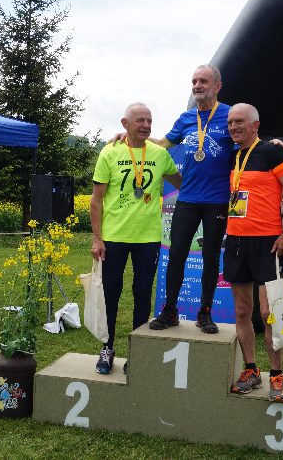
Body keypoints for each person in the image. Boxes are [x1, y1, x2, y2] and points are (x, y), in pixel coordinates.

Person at [144, 65, 283, 334]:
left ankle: (205, 312)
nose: (197, 85)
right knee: (176, 255)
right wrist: (133, 137)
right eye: (194, 81)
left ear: (217, 86)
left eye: (203, 81)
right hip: (188, 198)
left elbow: (250, 139)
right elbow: (162, 145)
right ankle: (170, 311)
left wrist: (274, 144)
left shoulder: (229, 115)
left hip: (218, 200)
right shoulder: (186, 118)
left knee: (211, 257)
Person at [90, 103, 182, 375]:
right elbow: (96, 200)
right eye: (140, 120)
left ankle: (137, 351)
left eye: (149, 120)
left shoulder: (159, 154)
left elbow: (182, 183)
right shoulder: (110, 151)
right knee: (111, 292)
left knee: (142, 293)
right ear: (124, 123)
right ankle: (107, 347)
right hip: (114, 237)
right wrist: (97, 239)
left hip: (148, 238)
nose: (145, 125)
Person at [223, 103, 283, 403]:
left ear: (255, 125)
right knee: (242, 311)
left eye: (239, 122)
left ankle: (276, 375)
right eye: (230, 122)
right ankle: (251, 370)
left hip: (268, 243)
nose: (233, 127)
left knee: (269, 313)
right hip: (236, 241)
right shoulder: (232, 155)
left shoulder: (271, 153)